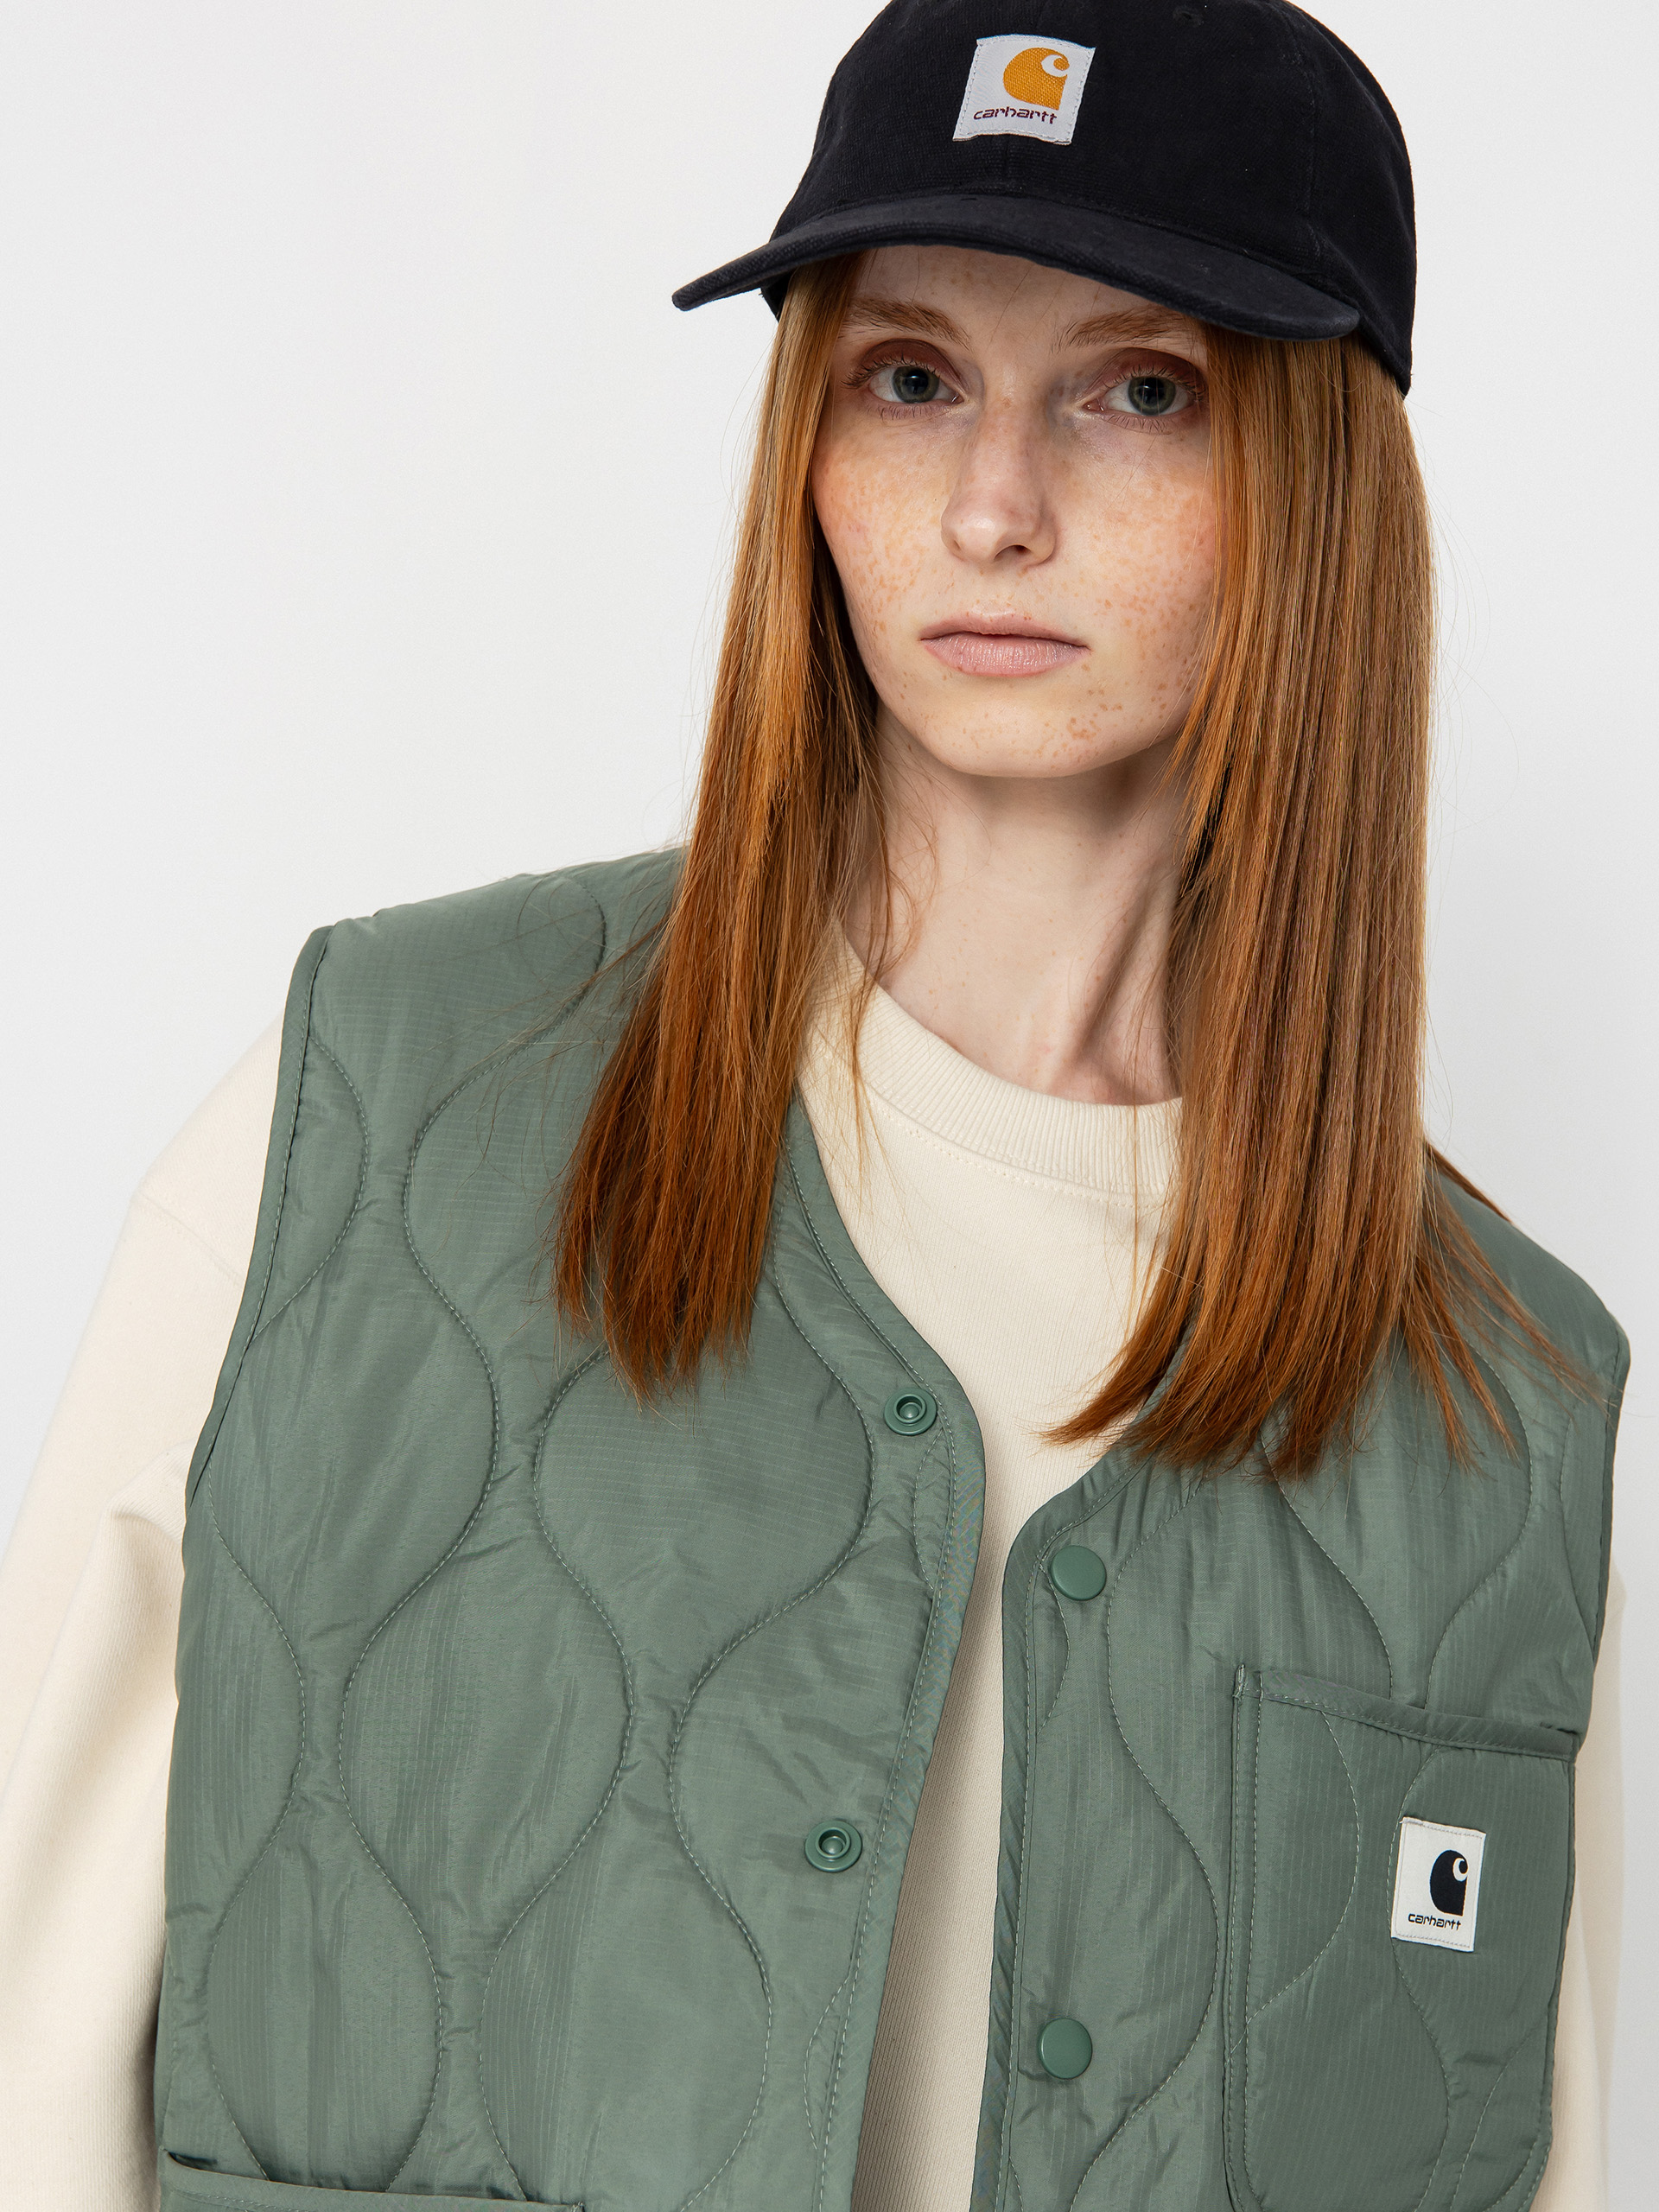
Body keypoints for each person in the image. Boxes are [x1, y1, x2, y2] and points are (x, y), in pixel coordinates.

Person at [0, 4, 1627, 2209]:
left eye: (1141, 390)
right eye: (910, 377)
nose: (992, 506)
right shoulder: (377, 1102)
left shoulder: (1501, 1411)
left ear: (1319, 488)